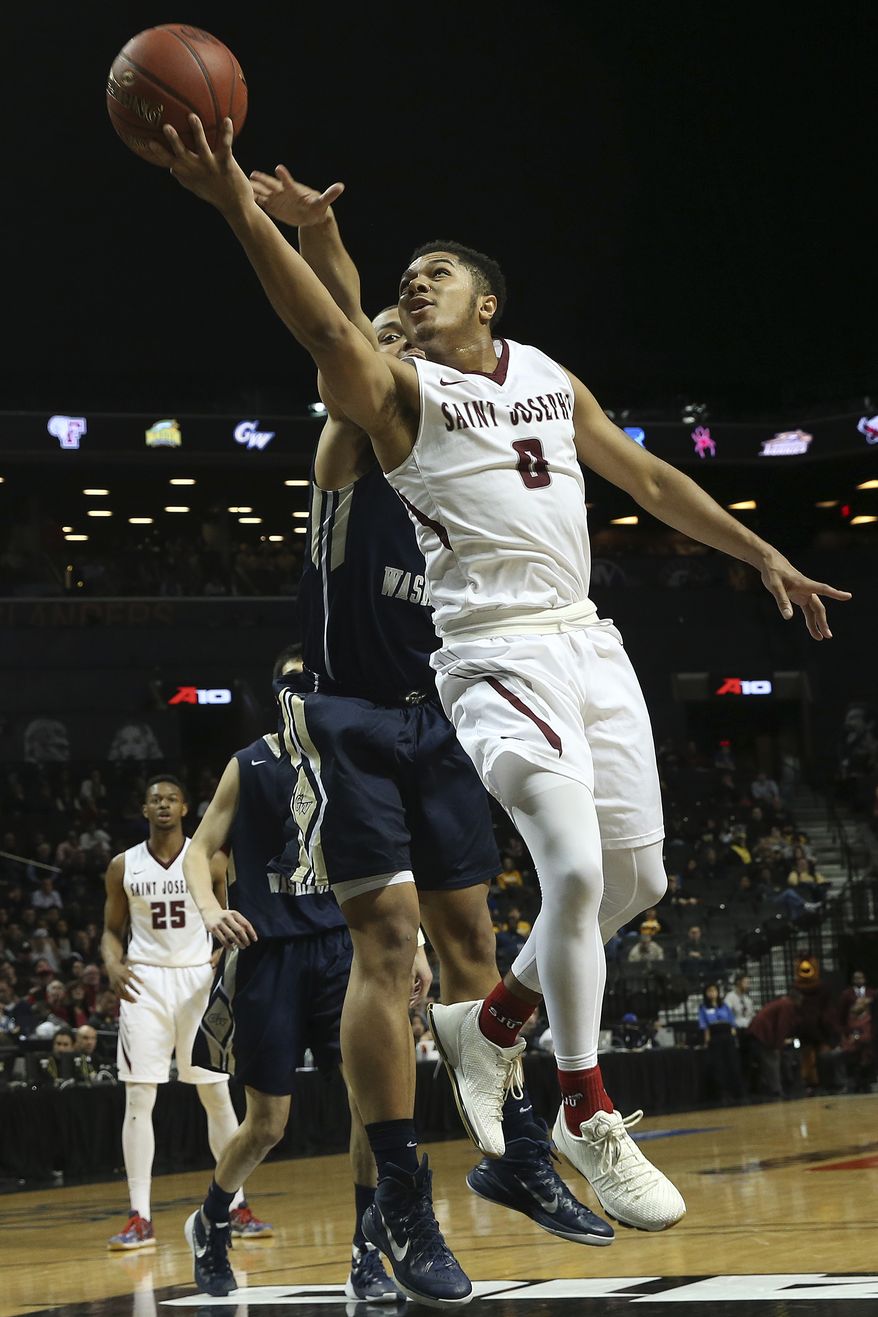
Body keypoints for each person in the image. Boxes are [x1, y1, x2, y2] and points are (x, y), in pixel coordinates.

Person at [157, 116, 849, 1242]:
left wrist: (759, 549)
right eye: (402, 279)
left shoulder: (543, 377)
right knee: (571, 871)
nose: (412, 286)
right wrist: (236, 201)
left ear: (489, 303)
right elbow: (328, 321)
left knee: (636, 883)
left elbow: (647, 478)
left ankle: (497, 1022)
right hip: (490, 651)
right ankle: (581, 1105)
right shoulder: (389, 398)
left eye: (434, 275)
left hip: (587, 638)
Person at [180, 670, 403, 1303]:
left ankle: (367, 1252)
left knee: (367, 1105)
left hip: (342, 948)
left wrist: (409, 944)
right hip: (267, 952)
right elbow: (201, 850)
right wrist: (208, 909)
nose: (303, 695)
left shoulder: (349, 760)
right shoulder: (247, 764)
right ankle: (213, 1221)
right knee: (268, 1124)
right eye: (292, 684)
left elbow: (390, 853)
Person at [100, 775, 268, 1251]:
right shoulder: (122, 866)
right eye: (155, 800)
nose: (164, 806)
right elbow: (111, 931)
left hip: (198, 982)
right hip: (145, 983)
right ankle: (139, 1216)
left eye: (171, 798)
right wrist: (113, 961)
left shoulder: (209, 859)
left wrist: (223, 957)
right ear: (145, 810)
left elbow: (238, 913)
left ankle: (236, 1206)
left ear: (185, 807)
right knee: (138, 1097)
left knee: (217, 1095)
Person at [697, 983, 744, 1103]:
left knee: (731, 1064)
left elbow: (732, 1022)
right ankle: (722, 1093)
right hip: (715, 1038)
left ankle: (735, 1092)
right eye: (709, 991)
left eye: (714, 991)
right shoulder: (703, 1008)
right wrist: (707, 1041)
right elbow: (705, 1026)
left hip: (727, 1037)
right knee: (718, 1067)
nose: (712, 993)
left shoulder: (724, 1006)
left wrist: (734, 1038)